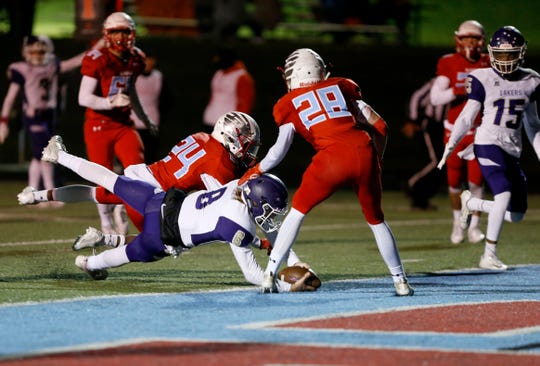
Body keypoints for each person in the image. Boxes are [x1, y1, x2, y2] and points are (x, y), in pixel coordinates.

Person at [40, 135, 315, 293]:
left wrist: (261, 244)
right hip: (163, 235)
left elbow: (236, 230)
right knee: (131, 254)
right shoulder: (238, 225)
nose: (270, 215)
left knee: (111, 180)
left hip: (162, 200)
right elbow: (254, 275)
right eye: (268, 208)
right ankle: (90, 264)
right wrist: (285, 285)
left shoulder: (235, 186)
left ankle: (61, 156)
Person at [238, 48, 413, 296]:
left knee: (297, 213)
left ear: (291, 75)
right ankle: (400, 281)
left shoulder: (288, 103)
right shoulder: (341, 87)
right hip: (364, 152)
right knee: (376, 220)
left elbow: (279, 150)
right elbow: (380, 126)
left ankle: (269, 274)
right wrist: (378, 160)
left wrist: (257, 169)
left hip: (331, 159)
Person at [17, 111, 261, 234]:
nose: (249, 148)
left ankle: (36, 196)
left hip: (148, 176)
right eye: (247, 141)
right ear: (230, 136)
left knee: (97, 194)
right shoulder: (218, 161)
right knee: (163, 243)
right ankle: (60, 155)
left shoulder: (202, 137)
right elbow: (223, 200)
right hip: (151, 193)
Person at [438, 26, 540, 271]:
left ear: (521, 53)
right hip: (487, 142)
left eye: (510, 54)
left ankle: (473, 203)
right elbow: (466, 116)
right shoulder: (482, 77)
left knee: (517, 214)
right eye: (501, 55)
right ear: (492, 53)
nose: (505, 61)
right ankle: (489, 254)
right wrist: (451, 145)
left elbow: (533, 124)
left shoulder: (532, 80)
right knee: (503, 194)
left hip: (511, 148)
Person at [78, 11, 157, 235]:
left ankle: (123, 209)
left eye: (125, 31)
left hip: (123, 124)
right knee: (103, 177)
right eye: (115, 31)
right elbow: (83, 98)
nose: (121, 36)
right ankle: (105, 221)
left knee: (138, 172)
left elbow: (130, 89)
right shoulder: (97, 58)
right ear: (106, 34)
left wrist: (144, 117)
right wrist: (110, 101)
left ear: (132, 32)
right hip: (98, 125)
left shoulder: (136, 58)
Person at [0, 35, 102, 203]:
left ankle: (32, 191)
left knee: (37, 155)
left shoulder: (52, 66)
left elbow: (78, 60)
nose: (38, 55)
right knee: (46, 154)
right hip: (34, 115)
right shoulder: (22, 69)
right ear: (26, 52)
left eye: (41, 51)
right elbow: (10, 98)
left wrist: (99, 44)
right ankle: (47, 192)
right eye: (34, 51)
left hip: (49, 115)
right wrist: (3, 122)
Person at [430, 20, 490, 245]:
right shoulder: (449, 62)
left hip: (479, 130)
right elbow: (436, 98)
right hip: (453, 130)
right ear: (459, 40)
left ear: (482, 40)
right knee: (454, 182)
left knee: (476, 181)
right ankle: (457, 222)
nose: (471, 43)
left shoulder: (489, 61)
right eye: (467, 38)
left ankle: (474, 226)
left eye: (475, 38)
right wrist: (460, 88)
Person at [401, 78, 446, 211]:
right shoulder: (442, 79)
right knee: (436, 161)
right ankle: (412, 185)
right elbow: (417, 96)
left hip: (447, 126)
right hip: (432, 124)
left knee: (443, 164)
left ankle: (421, 200)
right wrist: (412, 119)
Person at [130, 50, 173, 163]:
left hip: (152, 123)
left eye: (150, 60)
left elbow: (167, 99)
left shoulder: (158, 76)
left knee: (150, 156)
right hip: (133, 123)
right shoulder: (132, 75)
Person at [202, 46, 255, 133]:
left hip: (227, 126)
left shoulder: (242, 77)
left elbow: (245, 103)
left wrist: (238, 125)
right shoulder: (219, 73)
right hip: (210, 121)